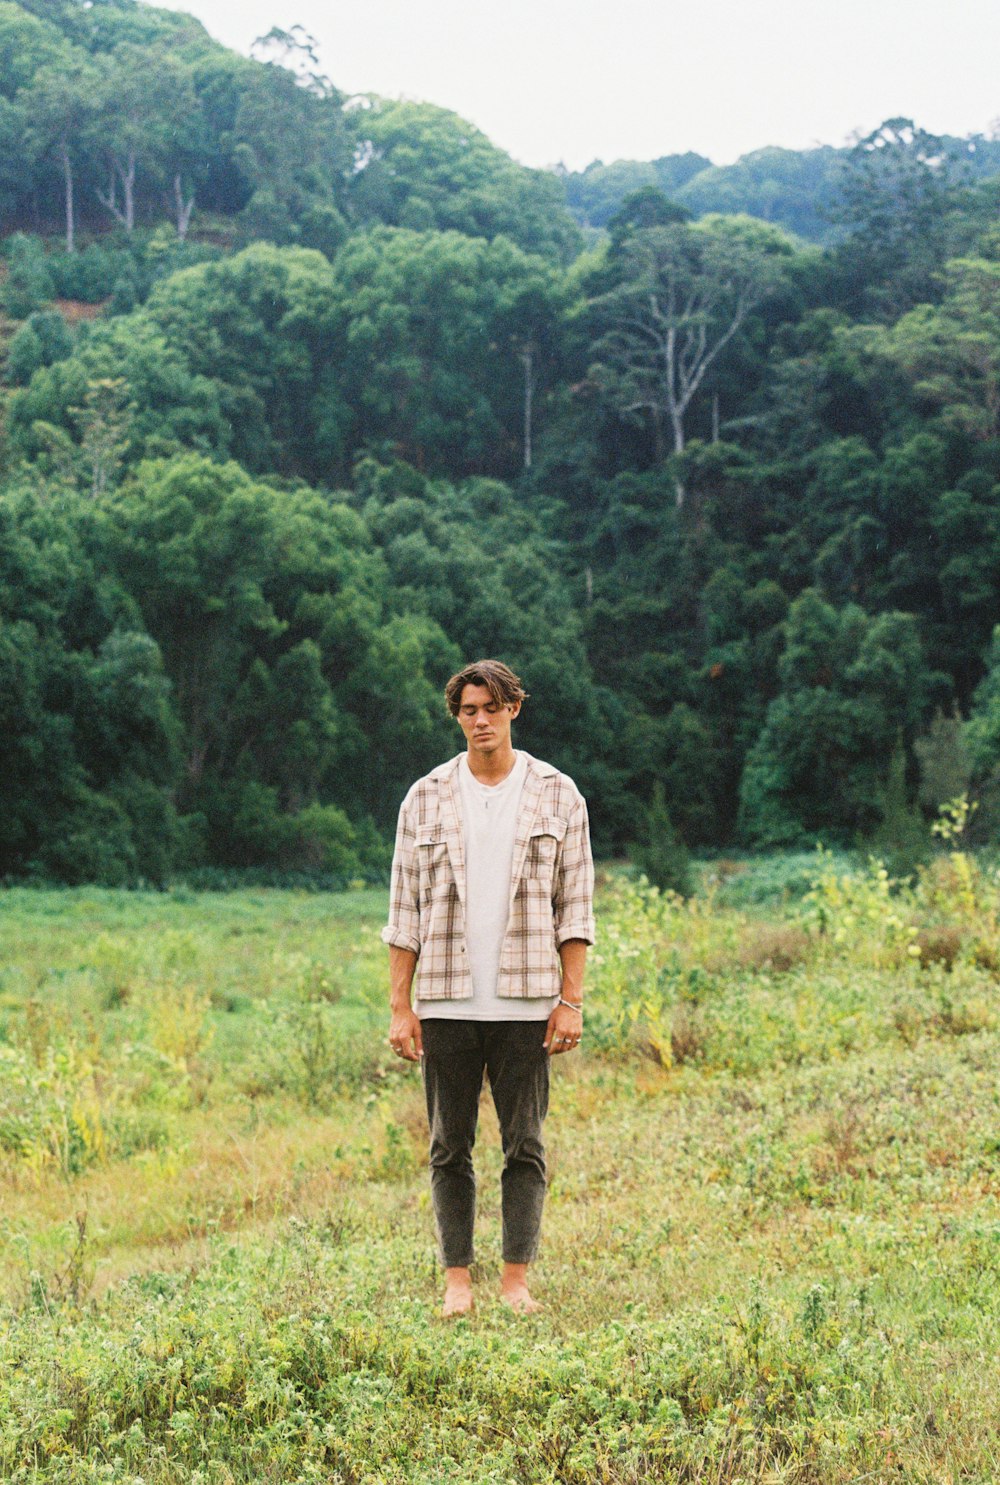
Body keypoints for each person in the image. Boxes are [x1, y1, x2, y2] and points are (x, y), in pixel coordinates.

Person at [382, 659, 595, 1316]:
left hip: (527, 1002)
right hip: (446, 1000)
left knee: (524, 1143)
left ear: (513, 710)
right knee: (449, 1143)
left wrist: (570, 999)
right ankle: (456, 1282)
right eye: (469, 709)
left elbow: (576, 907)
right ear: (457, 716)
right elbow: (404, 911)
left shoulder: (559, 794)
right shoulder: (425, 797)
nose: (480, 719)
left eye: (491, 707)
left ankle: (515, 1279)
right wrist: (400, 1006)